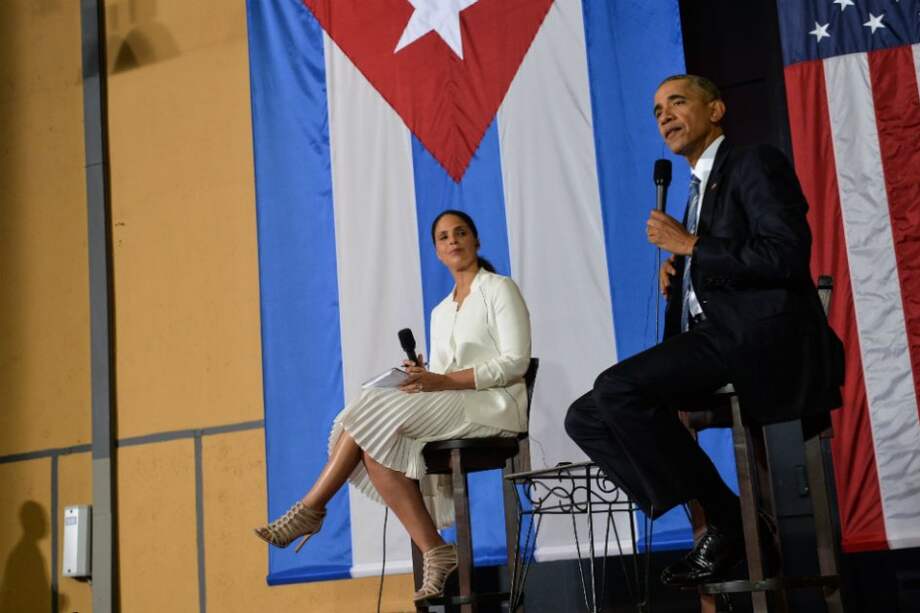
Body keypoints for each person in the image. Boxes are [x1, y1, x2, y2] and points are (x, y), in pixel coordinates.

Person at [564, 74, 844, 586]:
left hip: (758, 337)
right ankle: (729, 519)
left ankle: (726, 523)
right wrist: (685, 272)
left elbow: (785, 253)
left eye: (677, 102)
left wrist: (693, 248)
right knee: (584, 416)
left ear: (715, 110)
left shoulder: (753, 164)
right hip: (714, 337)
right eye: (656, 110)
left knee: (616, 389)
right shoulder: (696, 190)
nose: (664, 115)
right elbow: (721, 260)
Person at [255, 210, 532, 602]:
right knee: (370, 428)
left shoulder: (499, 288)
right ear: (436, 251)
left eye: (460, 233)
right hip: (453, 401)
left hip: (492, 406)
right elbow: (444, 372)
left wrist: (441, 380)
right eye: (443, 237)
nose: (452, 241)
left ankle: (311, 509)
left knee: (367, 415)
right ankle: (435, 549)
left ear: (476, 240)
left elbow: (515, 362)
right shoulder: (441, 311)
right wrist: (423, 374)